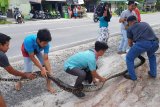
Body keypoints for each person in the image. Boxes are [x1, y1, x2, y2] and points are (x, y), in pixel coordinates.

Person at [0, 33, 36, 107]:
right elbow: (11, 71)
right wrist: (26, 74)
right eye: (7, 45)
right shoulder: (1, 55)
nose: (8, 48)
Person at [15, 29, 55, 93]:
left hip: (37, 50)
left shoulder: (46, 44)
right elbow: (32, 57)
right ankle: (19, 82)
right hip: (27, 52)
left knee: (48, 70)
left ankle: (48, 86)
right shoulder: (28, 41)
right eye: (44, 43)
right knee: (28, 71)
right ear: (39, 40)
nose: (46, 45)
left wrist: (47, 69)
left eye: (47, 43)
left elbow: (46, 58)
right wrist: (42, 69)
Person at [124, 15, 159, 80]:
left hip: (143, 44)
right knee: (151, 56)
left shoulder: (130, 28)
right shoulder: (145, 23)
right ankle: (153, 73)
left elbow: (130, 43)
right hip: (155, 43)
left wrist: (135, 51)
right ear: (136, 20)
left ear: (130, 22)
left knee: (129, 58)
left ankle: (132, 76)